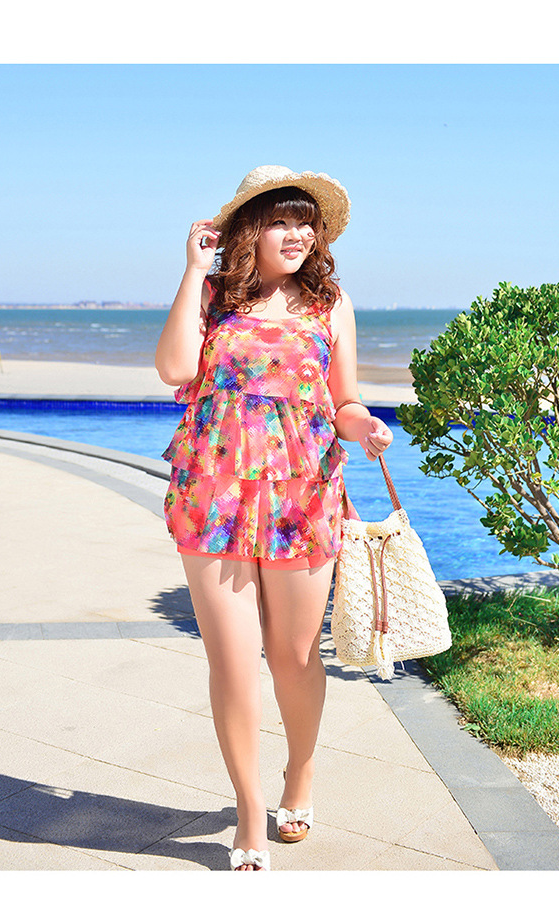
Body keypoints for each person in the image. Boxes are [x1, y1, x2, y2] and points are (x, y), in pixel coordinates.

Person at [154, 165, 394, 871]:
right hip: (213, 493)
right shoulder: (213, 296)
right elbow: (174, 370)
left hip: (302, 494)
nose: (297, 235)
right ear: (248, 230)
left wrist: (364, 425)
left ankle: (301, 774)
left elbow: (343, 400)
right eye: (280, 221)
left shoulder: (330, 304)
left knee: (292, 657)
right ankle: (249, 811)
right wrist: (192, 270)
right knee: (232, 663)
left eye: (305, 223)